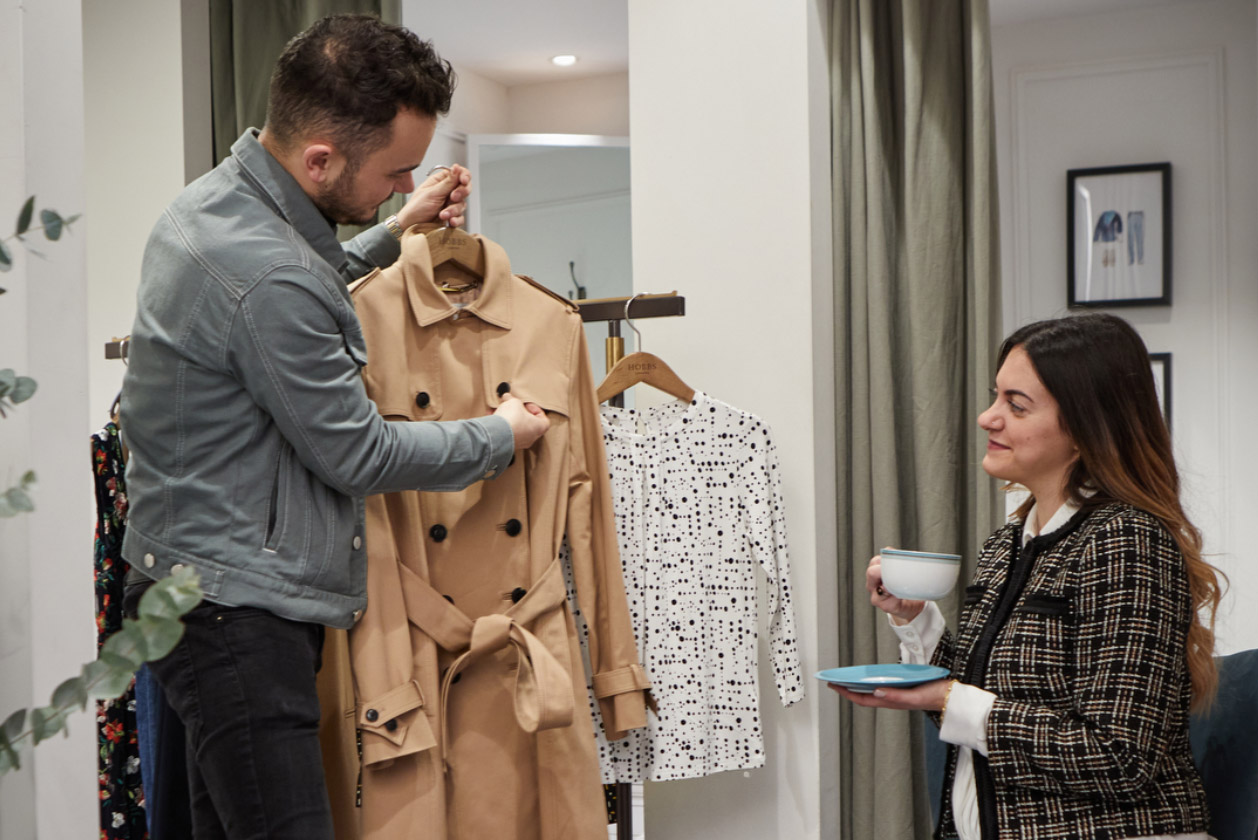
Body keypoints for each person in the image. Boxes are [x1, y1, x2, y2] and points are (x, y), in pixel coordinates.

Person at [119, 15, 548, 840]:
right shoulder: (266, 271)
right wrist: (501, 433)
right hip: (233, 616)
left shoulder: (214, 207)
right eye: (395, 173)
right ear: (320, 157)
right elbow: (359, 450)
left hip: (192, 586)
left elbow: (286, 298)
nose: (400, 184)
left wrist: (397, 229)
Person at [834, 313, 1224, 840]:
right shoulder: (1007, 543)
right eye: (995, 397)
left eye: (1016, 406)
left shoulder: (1127, 540)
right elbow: (979, 710)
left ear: (1088, 428)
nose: (986, 418)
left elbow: (1120, 756)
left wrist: (946, 698)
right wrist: (917, 620)